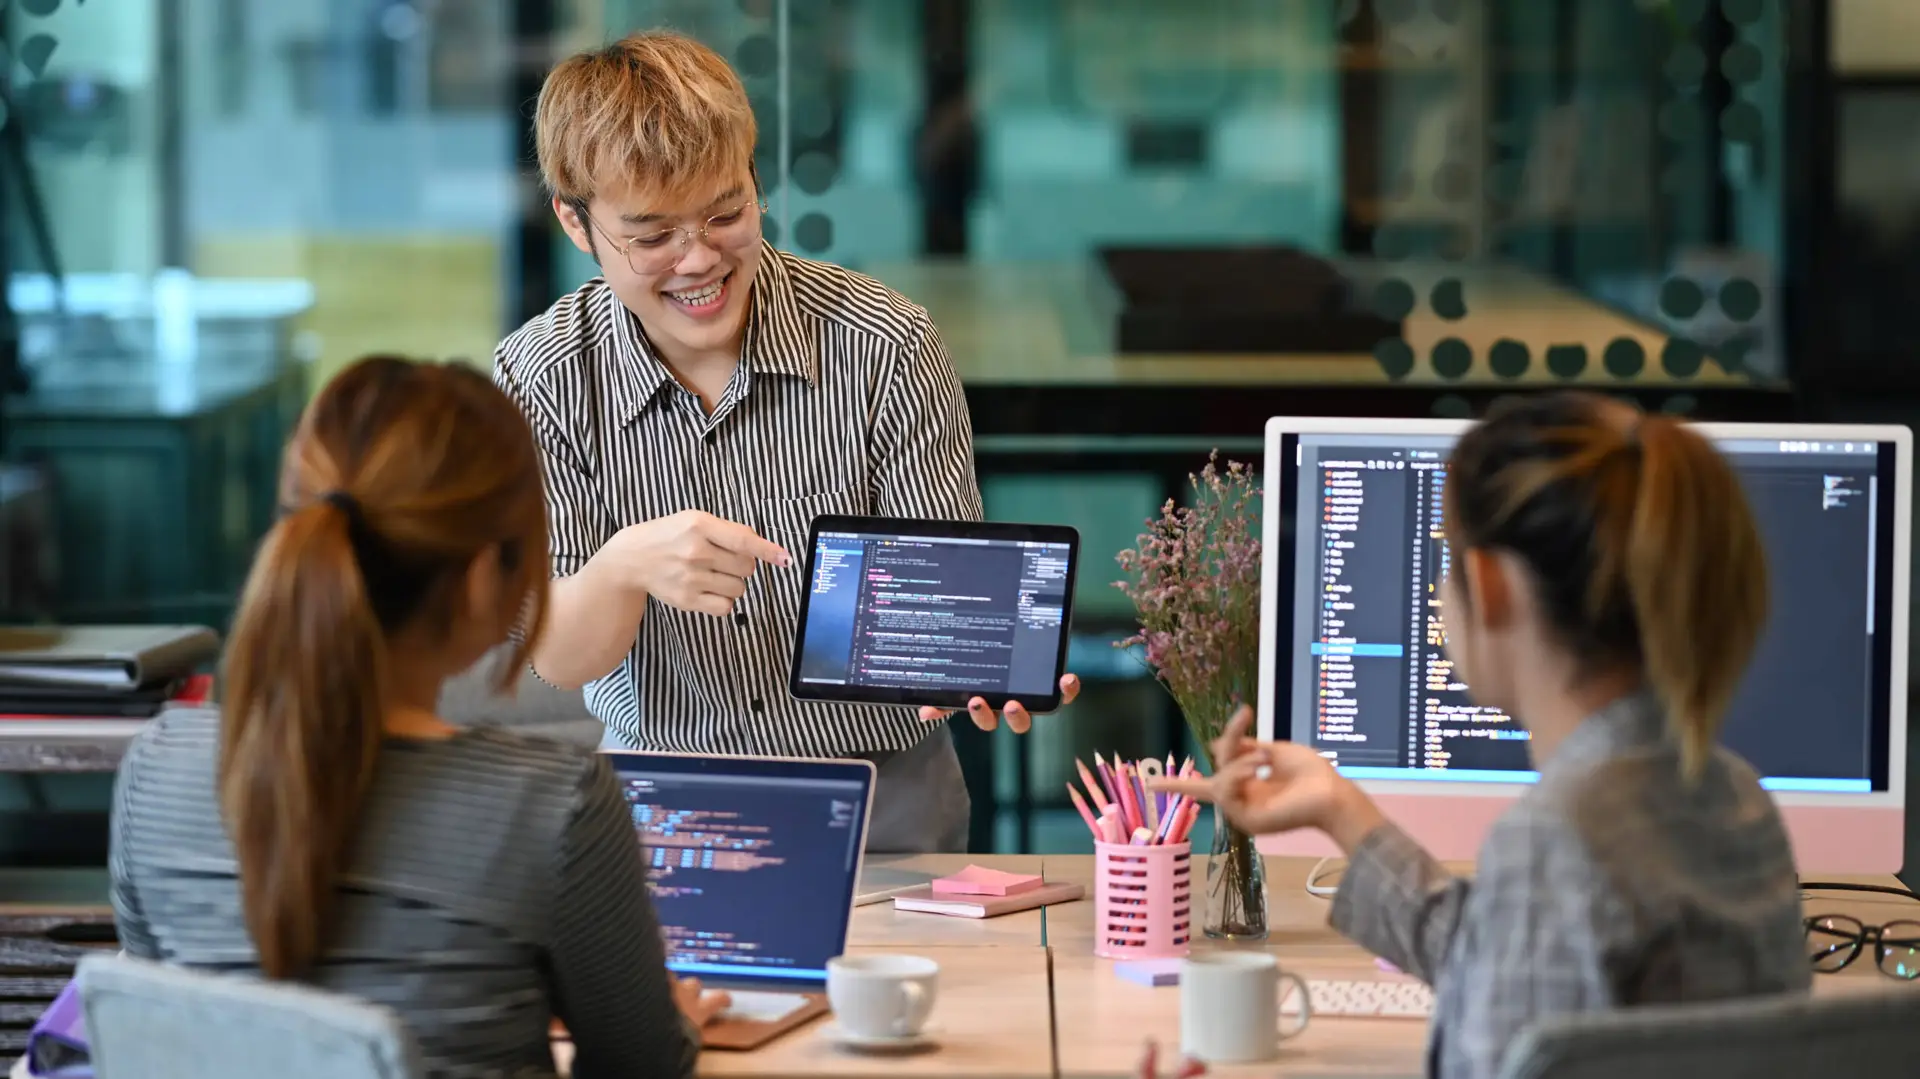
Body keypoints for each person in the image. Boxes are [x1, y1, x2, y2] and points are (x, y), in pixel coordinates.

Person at [493, 30, 1075, 853]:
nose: (699, 259)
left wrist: (981, 663)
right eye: (652, 236)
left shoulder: (886, 344)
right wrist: (626, 566)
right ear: (575, 223)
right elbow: (559, 659)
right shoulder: (540, 376)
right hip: (667, 801)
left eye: (726, 213)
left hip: (885, 795)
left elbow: (943, 604)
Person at [1153, 392, 1810, 1079]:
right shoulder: (1737, 798)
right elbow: (1508, 962)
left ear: (1487, 583)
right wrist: (1341, 810)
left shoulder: (1558, 839)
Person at [109, 356, 726, 1078]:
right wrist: (673, 1024)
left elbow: (170, 1036)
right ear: (477, 581)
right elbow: (641, 1068)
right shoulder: (555, 803)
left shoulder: (158, 768)